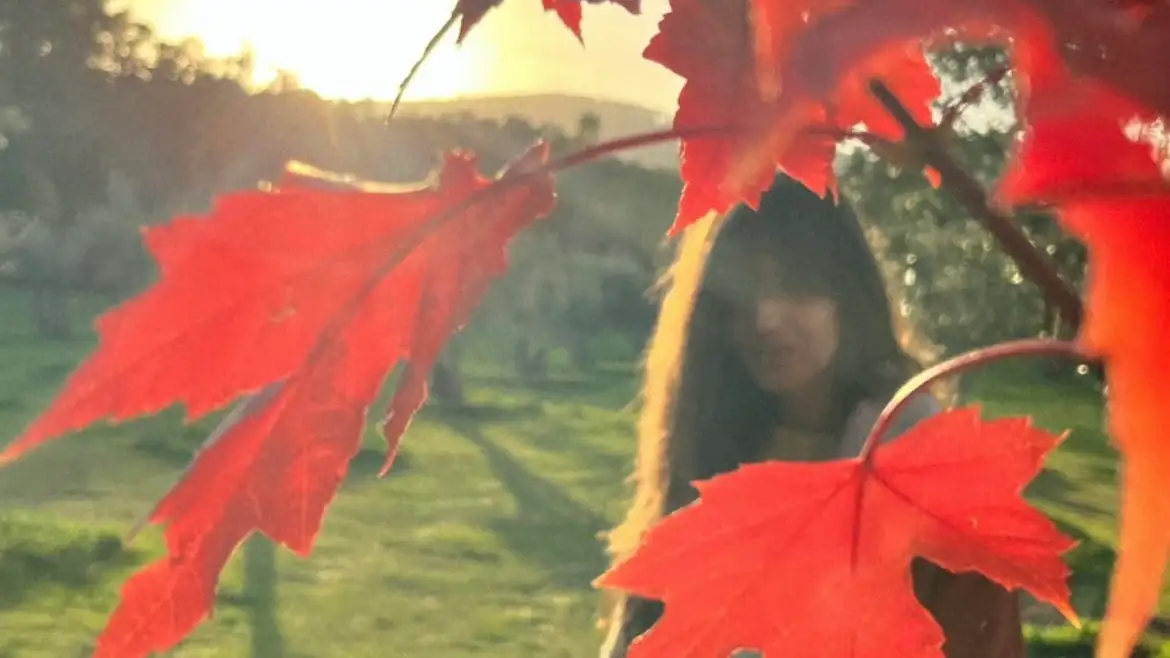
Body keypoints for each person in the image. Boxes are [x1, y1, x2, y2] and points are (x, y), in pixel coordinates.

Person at [598, 174, 1025, 658]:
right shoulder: (714, 442)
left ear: (848, 293)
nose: (765, 318)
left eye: (796, 285)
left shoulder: (938, 484)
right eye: (743, 294)